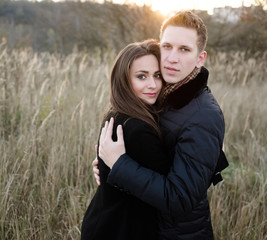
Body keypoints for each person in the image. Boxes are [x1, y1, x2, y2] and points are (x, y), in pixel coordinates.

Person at [96, 10, 229, 239]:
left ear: (200, 58)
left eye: (184, 49)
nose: (172, 58)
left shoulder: (203, 115)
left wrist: (120, 165)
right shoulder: (163, 93)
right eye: (167, 47)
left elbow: (180, 198)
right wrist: (106, 165)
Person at [81, 39, 173, 240]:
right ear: (124, 80)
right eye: (141, 76)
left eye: (157, 76)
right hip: (118, 230)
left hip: (104, 223)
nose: (152, 85)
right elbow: (176, 189)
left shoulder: (117, 113)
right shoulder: (136, 128)